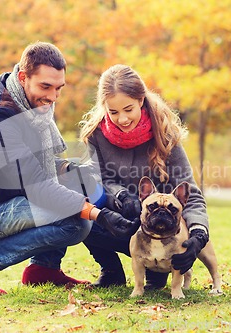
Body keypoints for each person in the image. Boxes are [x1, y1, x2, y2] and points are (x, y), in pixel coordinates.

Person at [0, 43, 139, 295]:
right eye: (45, 87)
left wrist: (77, 172)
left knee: (78, 181)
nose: (53, 96)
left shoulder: (29, 102)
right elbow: (39, 186)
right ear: (23, 77)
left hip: (9, 199)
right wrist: (98, 215)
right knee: (77, 223)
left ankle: (43, 269)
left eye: (59, 88)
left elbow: (38, 166)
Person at [79, 64, 212, 289]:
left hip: (160, 229)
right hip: (117, 222)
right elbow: (95, 180)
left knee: (159, 274)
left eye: (128, 109)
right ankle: (110, 270)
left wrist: (199, 233)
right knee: (80, 210)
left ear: (141, 100)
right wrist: (122, 196)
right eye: (113, 112)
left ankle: (156, 271)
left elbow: (189, 190)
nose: (122, 119)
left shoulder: (165, 135)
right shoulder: (96, 135)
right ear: (104, 108)